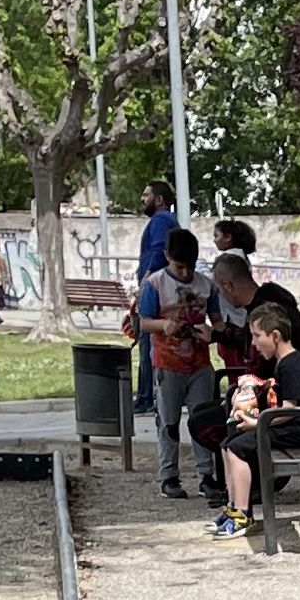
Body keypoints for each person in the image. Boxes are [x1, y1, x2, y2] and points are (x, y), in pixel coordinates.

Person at [210, 308, 300, 535]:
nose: (253, 343)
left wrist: (258, 423)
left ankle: (243, 515)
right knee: (228, 443)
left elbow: (290, 409)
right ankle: (233, 507)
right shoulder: (284, 361)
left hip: (297, 430)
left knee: (236, 448)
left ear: (274, 335)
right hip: (289, 425)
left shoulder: (292, 364)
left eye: (256, 336)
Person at [139, 228, 226, 509]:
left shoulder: (206, 285)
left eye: (190, 266)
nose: (186, 272)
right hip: (167, 363)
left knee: (203, 421)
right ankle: (169, 476)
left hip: (200, 364)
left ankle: (206, 476)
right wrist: (163, 325)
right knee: (168, 421)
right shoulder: (155, 284)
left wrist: (212, 331)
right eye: (180, 266)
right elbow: (143, 322)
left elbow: (217, 320)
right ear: (167, 257)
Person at [130, 179, 176, 421]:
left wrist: (144, 282)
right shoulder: (166, 221)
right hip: (154, 286)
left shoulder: (160, 220)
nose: (142, 199)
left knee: (148, 341)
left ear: (158, 199)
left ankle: (146, 397)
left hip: (152, 288)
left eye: (146, 195)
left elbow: (158, 251)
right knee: (147, 343)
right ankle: (148, 395)